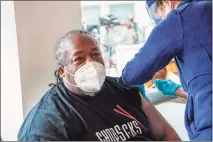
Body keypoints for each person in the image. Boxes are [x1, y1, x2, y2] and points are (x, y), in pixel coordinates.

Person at [18, 30, 181, 141]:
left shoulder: (124, 89)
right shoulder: (48, 121)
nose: (91, 63)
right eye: (79, 59)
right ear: (62, 71)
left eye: (96, 55)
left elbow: (166, 133)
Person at [121, 0, 212, 140]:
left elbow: (132, 74)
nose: (163, 19)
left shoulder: (179, 18)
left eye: (161, 14)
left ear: (167, 2)